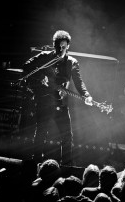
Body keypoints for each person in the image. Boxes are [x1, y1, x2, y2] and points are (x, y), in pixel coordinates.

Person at [22, 30, 93, 165]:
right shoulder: (44, 57)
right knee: (41, 133)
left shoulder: (72, 62)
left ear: (68, 46)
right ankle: (36, 162)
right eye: (58, 46)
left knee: (67, 136)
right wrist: (40, 77)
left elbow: (79, 82)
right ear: (53, 45)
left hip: (60, 103)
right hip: (43, 101)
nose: (61, 49)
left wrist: (86, 95)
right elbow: (26, 66)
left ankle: (66, 164)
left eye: (64, 47)